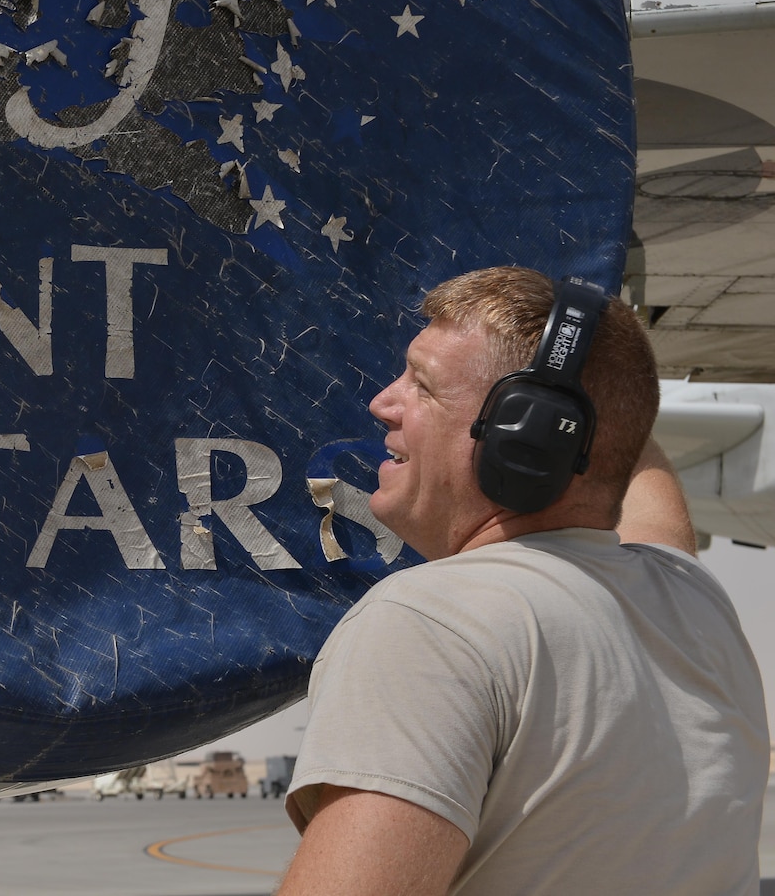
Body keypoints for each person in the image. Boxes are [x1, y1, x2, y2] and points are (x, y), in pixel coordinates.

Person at [276, 266, 769, 895]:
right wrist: (585, 344)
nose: (382, 403)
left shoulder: (430, 625)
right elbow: (639, 475)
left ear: (522, 439)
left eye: (421, 385)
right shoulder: (692, 599)